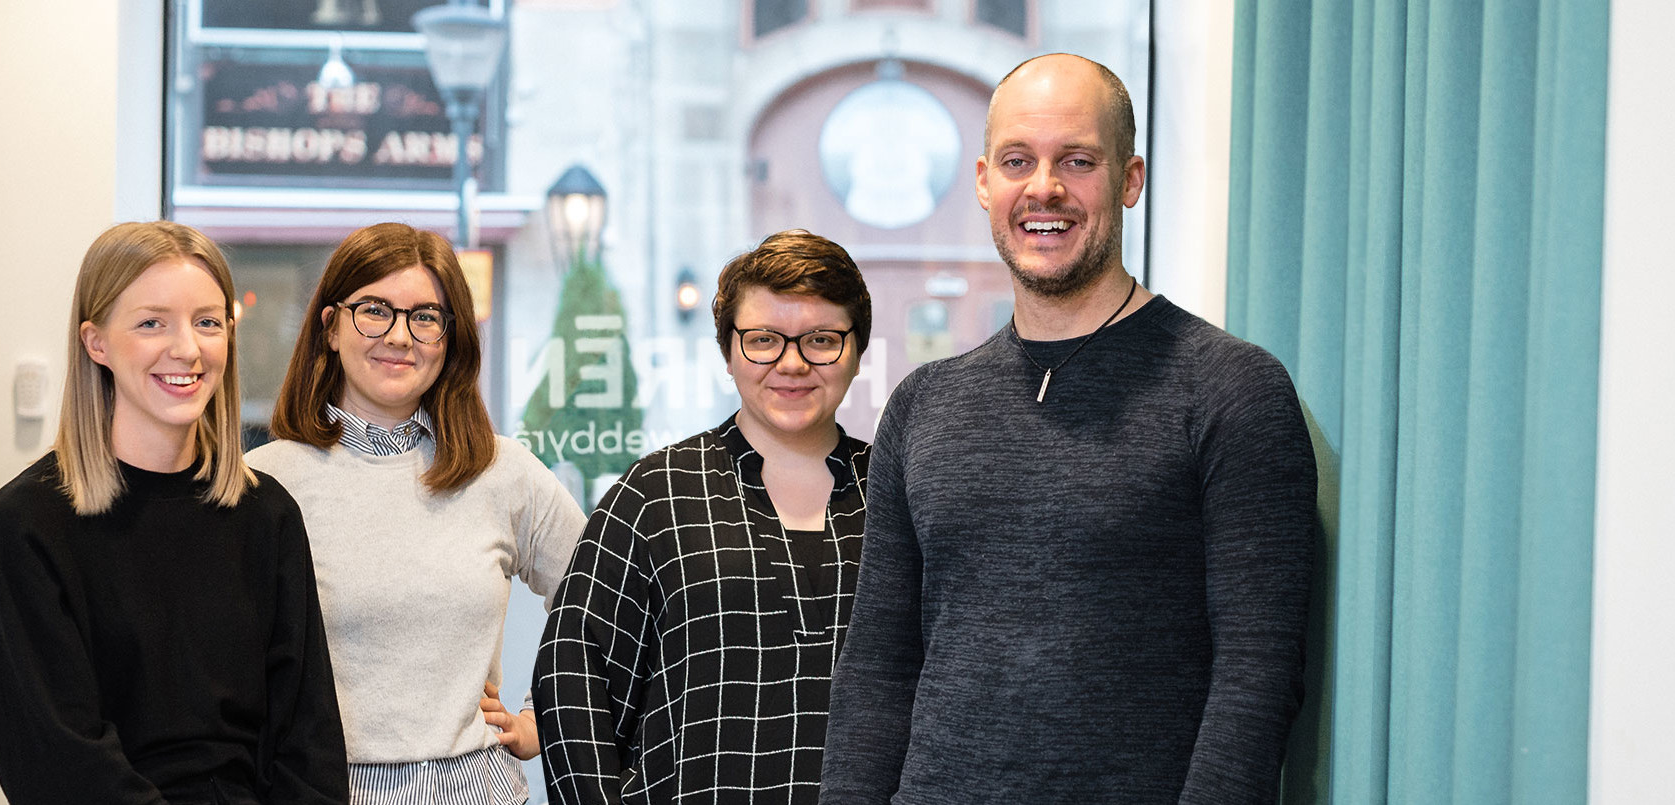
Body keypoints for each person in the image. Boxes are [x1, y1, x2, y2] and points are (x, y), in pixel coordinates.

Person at [818, 54, 1316, 804]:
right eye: (1019, 160)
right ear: (986, 181)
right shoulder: (924, 404)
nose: (1043, 187)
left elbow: (1257, 675)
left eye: (1076, 160)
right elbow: (879, 670)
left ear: (1130, 179)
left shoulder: (1230, 387)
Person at [0, 221, 347, 804]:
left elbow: (309, 740)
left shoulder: (267, 515)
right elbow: (54, 755)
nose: (188, 349)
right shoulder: (30, 522)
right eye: (151, 323)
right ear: (96, 343)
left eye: (208, 322)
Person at [245, 222, 585, 804]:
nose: (400, 336)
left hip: (479, 789)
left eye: (425, 316)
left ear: (450, 338)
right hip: (325, 791)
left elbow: (609, 602)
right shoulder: (266, 481)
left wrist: (543, 719)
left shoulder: (502, 471)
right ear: (329, 327)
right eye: (374, 310)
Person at [535, 229, 874, 805]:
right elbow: (572, 682)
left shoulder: (901, 493)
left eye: (821, 339)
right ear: (728, 352)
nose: (792, 364)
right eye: (763, 340)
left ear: (857, 350)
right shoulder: (655, 495)